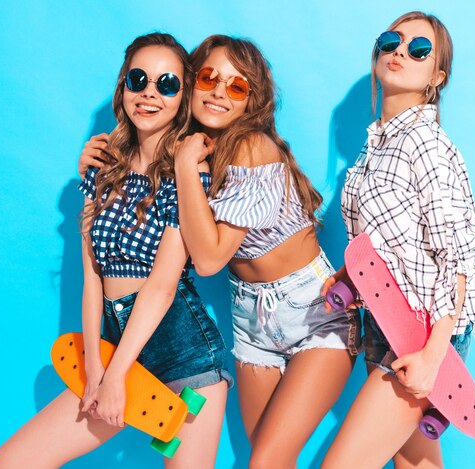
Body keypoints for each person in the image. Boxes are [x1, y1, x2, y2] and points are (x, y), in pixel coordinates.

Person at [0, 33, 232, 469]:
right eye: (138, 79)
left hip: (186, 357)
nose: (150, 93)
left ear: (181, 98)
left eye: (167, 84)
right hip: (114, 349)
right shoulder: (102, 168)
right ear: (123, 86)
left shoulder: (188, 169)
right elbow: (91, 280)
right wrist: (98, 370)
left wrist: (116, 373)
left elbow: (161, 286)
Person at [173, 35, 360, 468]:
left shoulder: (251, 146)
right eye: (209, 77)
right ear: (191, 82)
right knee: (266, 461)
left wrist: (184, 166)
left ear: (250, 102)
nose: (220, 91)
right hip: (250, 321)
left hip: (314, 310)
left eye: (236, 86)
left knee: (266, 460)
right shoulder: (193, 150)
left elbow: (209, 259)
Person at [321, 12, 475, 468]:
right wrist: (353, 275)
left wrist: (435, 355)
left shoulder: (427, 146)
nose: (399, 52)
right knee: (417, 463)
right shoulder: (376, 144)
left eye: (418, 49)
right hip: (389, 318)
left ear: (436, 77)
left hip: (427, 331)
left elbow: (458, 261)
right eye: (392, 41)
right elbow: (391, 240)